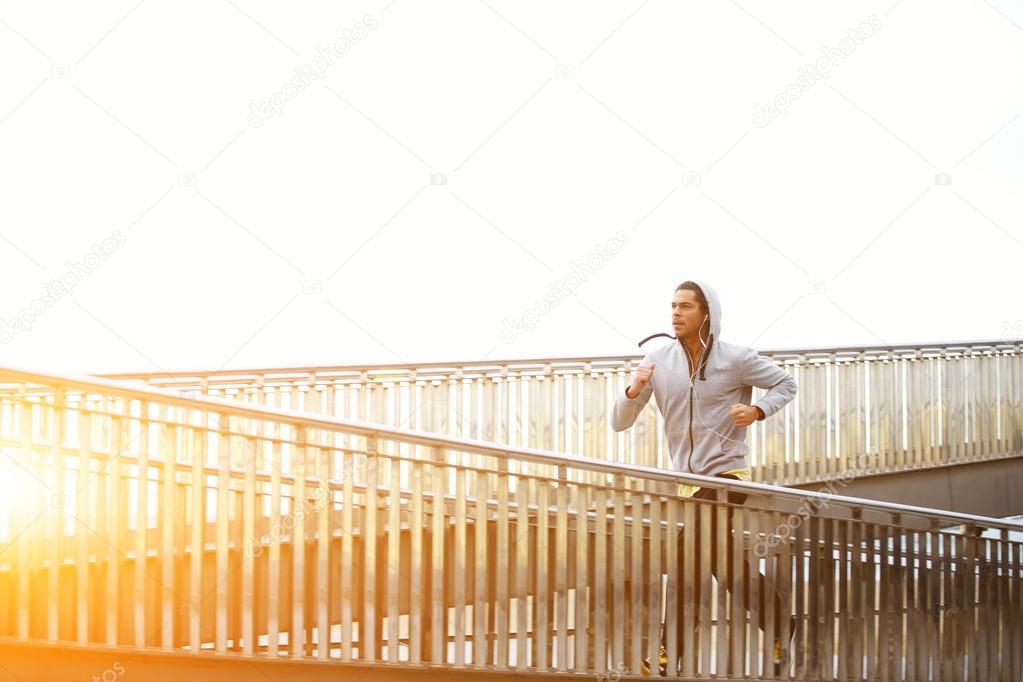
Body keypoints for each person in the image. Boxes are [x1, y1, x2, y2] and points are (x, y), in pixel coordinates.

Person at [611, 279, 797, 676]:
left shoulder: (736, 359)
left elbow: (786, 383)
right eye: (673, 306)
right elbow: (619, 423)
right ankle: (782, 623)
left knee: (684, 556)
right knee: (724, 566)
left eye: (686, 307)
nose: (676, 313)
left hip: (729, 474)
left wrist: (759, 410)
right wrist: (634, 389)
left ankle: (666, 653)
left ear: (706, 313)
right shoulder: (657, 359)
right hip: (688, 482)